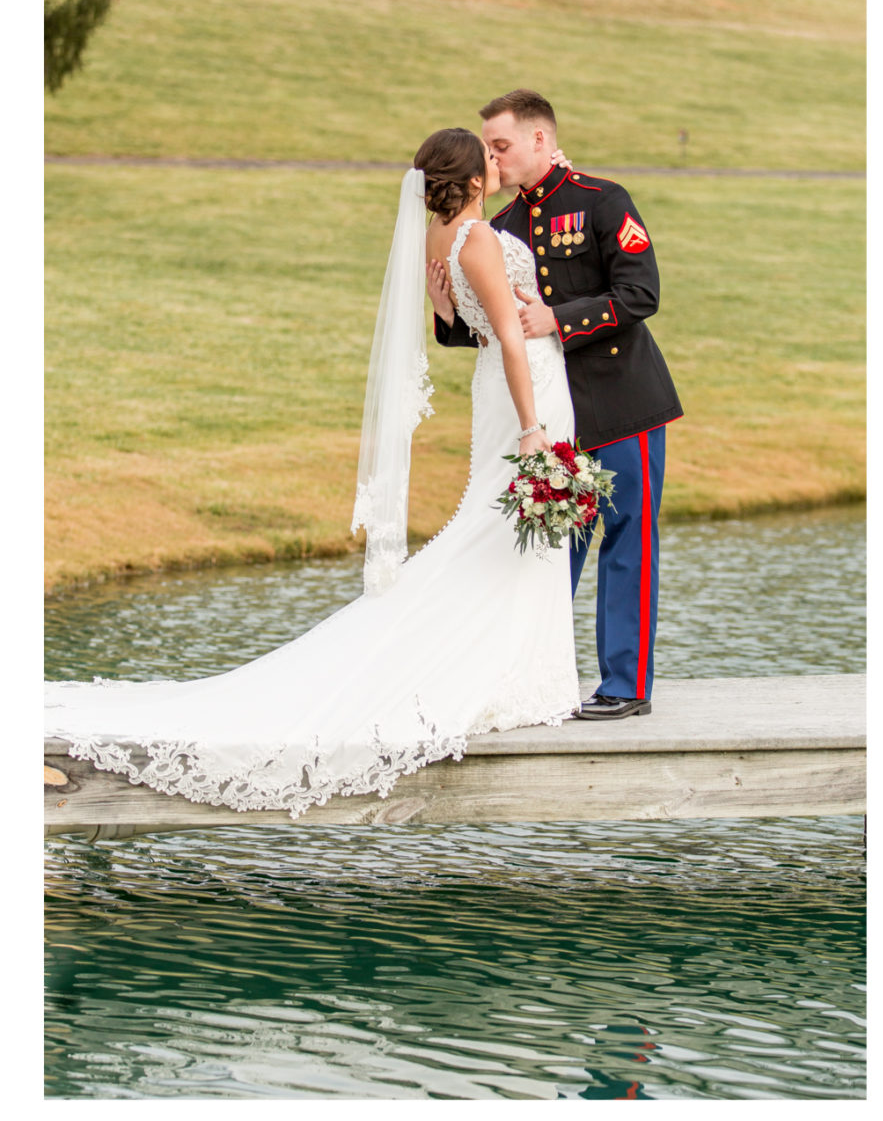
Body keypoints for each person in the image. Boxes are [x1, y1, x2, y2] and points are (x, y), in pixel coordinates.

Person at [45, 130, 580, 816]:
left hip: (503, 385)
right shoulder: (477, 239)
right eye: (489, 158)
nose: (498, 162)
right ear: (473, 181)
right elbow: (506, 333)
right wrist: (534, 426)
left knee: (503, 524)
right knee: (501, 528)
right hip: (523, 389)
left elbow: (457, 319)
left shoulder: (440, 237)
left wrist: (457, 313)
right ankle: (503, 675)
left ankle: (524, 669)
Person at [440, 90, 682, 721]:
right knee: (548, 546)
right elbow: (493, 328)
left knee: (627, 536)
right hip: (549, 415)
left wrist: (560, 318)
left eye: (501, 145)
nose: (492, 157)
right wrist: (445, 316)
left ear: (540, 140)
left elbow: (640, 294)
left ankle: (624, 686)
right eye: (487, 148)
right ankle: (532, 678)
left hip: (621, 399)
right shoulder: (500, 227)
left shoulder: (603, 201)